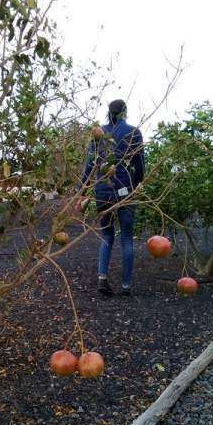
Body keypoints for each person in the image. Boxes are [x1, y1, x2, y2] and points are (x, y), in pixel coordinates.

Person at [80, 99, 145, 296]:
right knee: (126, 236)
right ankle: (126, 286)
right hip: (126, 190)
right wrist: (137, 181)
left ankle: (102, 279)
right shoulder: (134, 133)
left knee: (107, 235)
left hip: (102, 192)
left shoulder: (98, 133)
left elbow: (90, 166)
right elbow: (140, 163)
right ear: (125, 112)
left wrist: (81, 191)